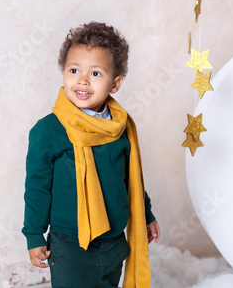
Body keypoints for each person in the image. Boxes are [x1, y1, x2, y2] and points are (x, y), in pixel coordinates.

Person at [22, 21, 160, 288]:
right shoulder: (49, 130)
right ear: (64, 72)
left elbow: (130, 180)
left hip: (113, 241)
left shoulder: (121, 127)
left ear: (115, 83)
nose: (82, 80)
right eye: (74, 70)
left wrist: (146, 214)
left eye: (96, 73)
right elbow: (37, 187)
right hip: (70, 245)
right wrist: (34, 235)